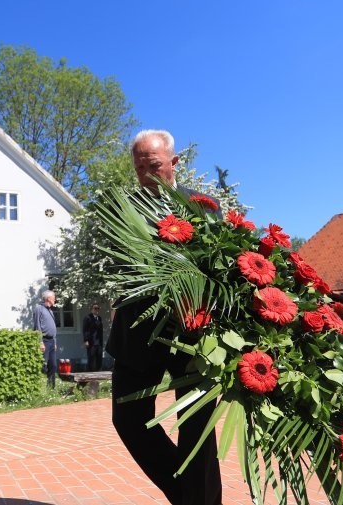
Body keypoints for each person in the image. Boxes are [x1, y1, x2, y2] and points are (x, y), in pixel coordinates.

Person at [106, 129, 222, 505]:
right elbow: (119, 266)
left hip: (192, 332)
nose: (146, 174)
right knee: (128, 420)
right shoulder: (124, 208)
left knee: (197, 427)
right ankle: (188, 495)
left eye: (153, 165)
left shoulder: (203, 205)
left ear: (174, 162)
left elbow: (219, 267)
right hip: (136, 333)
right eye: (139, 167)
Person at [34, 290, 59, 388]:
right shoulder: (39, 309)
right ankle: (37, 387)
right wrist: (40, 342)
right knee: (42, 365)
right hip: (44, 341)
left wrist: (55, 341)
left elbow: (53, 328)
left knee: (53, 365)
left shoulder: (50, 310)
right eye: (54, 297)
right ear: (48, 298)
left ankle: (51, 388)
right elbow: (37, 326)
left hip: (52, 341)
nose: (55, 299)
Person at [82, 303, 104, 372]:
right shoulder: (88, 318)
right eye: (95, 308)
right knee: (91, 357)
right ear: (91, 309)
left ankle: (99, 371)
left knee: (99, 357)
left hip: (99, 341)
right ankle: (91, 372)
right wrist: (86, 340)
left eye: (98, 308)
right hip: (91, 341)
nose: (96, 310)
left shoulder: (99, 318)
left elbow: (100, 330)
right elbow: (85, 329)